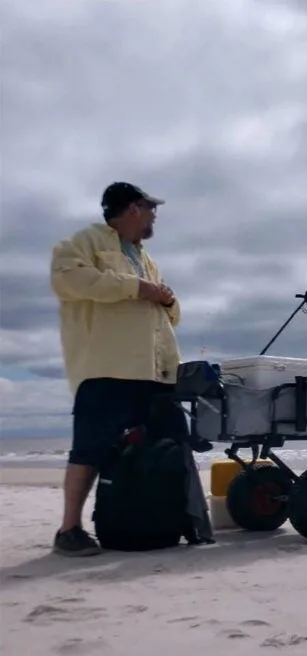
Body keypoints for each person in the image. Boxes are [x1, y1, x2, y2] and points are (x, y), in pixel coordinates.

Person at [49, 182, 183, 556]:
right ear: (131, 209)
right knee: (91, 449)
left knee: (167, 445)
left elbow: (168, 316)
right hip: (106, 368)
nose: (155, 214)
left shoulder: (147, 259)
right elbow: (66, 280)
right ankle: (69, 529)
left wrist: (167, 299)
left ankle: (165, 517)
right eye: (149, 207)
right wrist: (137, 287)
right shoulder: (83, 241)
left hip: (156, 373)